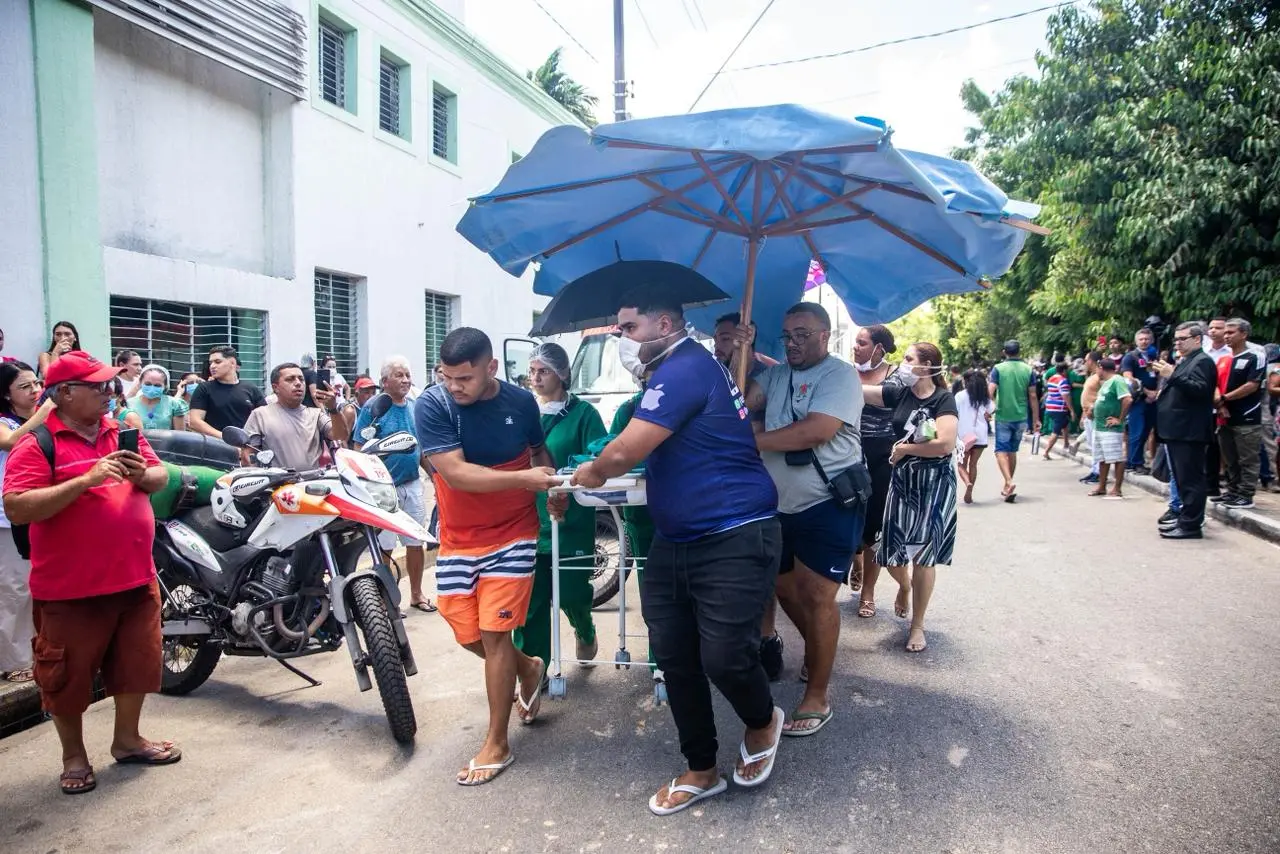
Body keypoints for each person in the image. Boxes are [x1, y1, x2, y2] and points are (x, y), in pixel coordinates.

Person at [570, 286, 782, 816]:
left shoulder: (685, 367)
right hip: (677, 539)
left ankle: (762, 720)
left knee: (725, 656)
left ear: (665, 326)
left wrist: (591, 472)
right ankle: (701, 768)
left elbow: (625, 450)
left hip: (735, 531)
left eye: (628, 328)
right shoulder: (671, 372)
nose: (622, 339)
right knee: (674, 656)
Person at [2, 350, 179, 795]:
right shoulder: (37, 442)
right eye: (97, 386)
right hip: (71, 588)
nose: (108, 392)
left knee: (136, 665)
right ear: (63, 394)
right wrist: (85, 480)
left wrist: (146, 475)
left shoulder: (122, 430)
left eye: (109, 385)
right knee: (67, 678)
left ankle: (128, 739)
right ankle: (74, 756)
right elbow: (17, 506)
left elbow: (159, 477)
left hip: (135, 577)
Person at [413, 329, 557, 786]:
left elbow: (538, 452)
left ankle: (497, 742)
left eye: (464, 378)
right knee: (465, 632)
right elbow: (454, 474)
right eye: (446, 376)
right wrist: (525, 479)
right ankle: (530, 666)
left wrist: (552, 489)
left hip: (514, 531)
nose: (454, 386)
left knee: (495, 635)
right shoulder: (433, 405)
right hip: (458, 536)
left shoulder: (520, 403)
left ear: (491, 368)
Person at [746, 302, 864, 737]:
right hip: (777, 504)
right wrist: (744, 352)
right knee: (781, 585)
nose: (792, 342)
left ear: (823, 336)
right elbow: (742, 397)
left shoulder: (839, 375)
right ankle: (818, 648)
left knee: (817, 594)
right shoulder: (776, 375)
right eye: (786, 335)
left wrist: (756, 441)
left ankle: (817, 694)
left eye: (801, 334)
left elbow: (817, 430)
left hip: (827, 499)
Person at [860, 342, 959, 654]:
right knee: (888, 550)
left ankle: (917, 625)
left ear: (927, 365)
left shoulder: (944, 399)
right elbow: (860, 388)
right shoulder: (898, 393)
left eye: (908, 359)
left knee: (925, 557)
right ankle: (905, 586)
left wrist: (906, 449)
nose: (901, 364)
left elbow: (944, 444)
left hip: (935, 483)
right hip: (902, 482)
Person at [513, 343, 603, 671]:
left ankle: (584, 626)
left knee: (570, 592)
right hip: (528, 519)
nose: (535, 378)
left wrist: (569, 483)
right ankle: (534, 673)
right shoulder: (524, 413)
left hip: (571, 519)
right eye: (532, 371)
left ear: (562, 374)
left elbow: (598, 460)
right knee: (531, 603)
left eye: (544, 371)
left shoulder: (584, 415)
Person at [357, 358, 433, 612]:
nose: (405, 380)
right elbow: (359, 446)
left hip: (412, 484)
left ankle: (416, 593)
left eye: (407, 374)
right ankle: (387, 598)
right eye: (398, 375)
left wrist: (435, 477)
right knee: (385, 545)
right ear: (385, 382)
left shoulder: (413, 407)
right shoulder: (372, 408)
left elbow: (420, 448)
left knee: (415, 541)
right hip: (383, 488)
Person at [0, 362, 54, 683]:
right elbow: (10, 442)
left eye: (37, 384)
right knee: (14, 590)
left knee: (35, 589)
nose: (35, 391)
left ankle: (34, 650)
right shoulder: (6, 422)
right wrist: (43, 413)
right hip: (6, 519)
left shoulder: (39, 419)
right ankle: (13, 661)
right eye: (25, 387)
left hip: (38, 512)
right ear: (6, 395)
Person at [850, 325, 903, 620]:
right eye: (855, 342)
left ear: (879, 347)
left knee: (874, 529)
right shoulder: (847, 372)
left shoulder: (895, 375)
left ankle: (868, 593)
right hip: (845, 456)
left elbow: (890, 397)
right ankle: (854, 561)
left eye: (861, 342)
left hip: (881, 457)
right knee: (845, 519)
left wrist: (847, 387)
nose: (855, 347)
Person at [1151, 323, 1218, 539]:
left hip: (1189, 430)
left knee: (1191, 480)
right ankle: (1184, 519)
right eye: (1176, 339)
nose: (1178, 342)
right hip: (1177, 430)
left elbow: (1201, 391)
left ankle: (1191, 525)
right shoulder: (1187, 360)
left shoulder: (1203, 361)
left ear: (1197, 339)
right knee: (1181, 479)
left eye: (1183, 338)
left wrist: (1173, 375)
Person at [242, 363, 348, 470]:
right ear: (275, 388)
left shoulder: (315, 414)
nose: (298, 383)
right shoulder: (260, 415)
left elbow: (340, 436)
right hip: (276, 485)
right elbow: (248, 456)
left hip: (312, 483)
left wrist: (333, 409)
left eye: (301, 379)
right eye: (290, 379)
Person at [1213, 318, 1266, 510]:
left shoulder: (1255, 356)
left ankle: (1246, 494)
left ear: (1244, 334)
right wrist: (1219, 403)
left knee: (1248, 457)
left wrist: (1226, 398)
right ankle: (1232, 490)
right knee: (1229, 457)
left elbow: (1252, 385)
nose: (1226, 336)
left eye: (1231, 332)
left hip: (1247, 416)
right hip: (1224, 416)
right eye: (1225, 332)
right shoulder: (1223, 360)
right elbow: (1215, 384)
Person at [989, 340, 1040, 502]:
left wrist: (991, 408)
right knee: (1012, 451)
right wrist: (1036, 419)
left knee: (1000, 451)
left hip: (1003, 415)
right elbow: (1033, 395)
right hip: (1021, 417)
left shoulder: (998, 369)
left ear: (1004, 352)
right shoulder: (1028, 370)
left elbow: (990, 391)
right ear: (1019, 351)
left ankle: (1009, 482)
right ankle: (1006, 485)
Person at [188, 346, 266, 437]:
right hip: (215, 446)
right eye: (210, 363)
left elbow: (264, 419)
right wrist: (226, 438)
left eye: (217, 362)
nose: (212, 366)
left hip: (247, 446)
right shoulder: (204, 388)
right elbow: (194, 422)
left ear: (232, 363)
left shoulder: (251, 389)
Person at [1089, 358, 1131, 499]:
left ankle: (1117, 488)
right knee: (1102, 458)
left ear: (1101, 368)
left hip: (1111, 428)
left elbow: (1127, 399)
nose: (1096, 372)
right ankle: (1102, 486)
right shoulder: (1106, 383)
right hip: (1100, 426)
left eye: (1097, 369)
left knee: (1117, 458)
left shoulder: (1117, 380)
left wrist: (1119, 418)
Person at [954, 369, 995, 504]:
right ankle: (970, 490)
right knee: (973, 464)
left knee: (961, 465)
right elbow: (992, 410)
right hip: (980, 436)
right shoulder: (984, 398)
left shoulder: (959, 396)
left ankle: (967, 483)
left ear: (966, 382)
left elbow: (954, 413)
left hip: (963, 437)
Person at [1121, 329, 1159, 474]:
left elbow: (1158, 374)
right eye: (1141, 339)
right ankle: (1134, 462)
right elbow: (1128, 378)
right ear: (1136, 341)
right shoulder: (1130, 357)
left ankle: (1135, 460)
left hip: (1153, 399)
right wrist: (1147, 392)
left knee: (1146, 431)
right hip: (1139, 399)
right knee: (1137, 431)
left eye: (1147, 339)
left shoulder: (1153, 355)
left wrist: (1156, 392)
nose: (1144, 341)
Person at [125, 365, 187, 431]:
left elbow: (180, 435)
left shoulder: (174, 404)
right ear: (140, 382)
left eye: (157, 385)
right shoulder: (129, 404)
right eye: (148, 384)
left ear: (165, 386)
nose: (152, 388)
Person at [712, 312, 769, 379]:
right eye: (715, 340)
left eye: (725, 338)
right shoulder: (717, 370)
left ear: (747, 338)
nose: (716, 345)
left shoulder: (766, 378)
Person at [1075, 351, 1104, 484]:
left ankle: (1098, 472)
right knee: (1092, 445)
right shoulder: (1092, 375)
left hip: (1096, 414)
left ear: (1092, 361)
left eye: (1087, 360)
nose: (1085, 363)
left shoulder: (1100, 376)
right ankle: (1094, 470)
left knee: (1096, 445)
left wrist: (1093, 407)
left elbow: (1104, 394)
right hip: (1088, 414)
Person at [1041, 361, 1075, 460]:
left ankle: (1066, 443)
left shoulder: (1051, 378)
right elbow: (1066, 396)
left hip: (1050, 407)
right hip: (1059, 408)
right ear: (1064, 370)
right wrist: (1072, 410)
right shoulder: (1063, 380)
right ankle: (1046, 451)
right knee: (1056, 431)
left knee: (1065, 424)